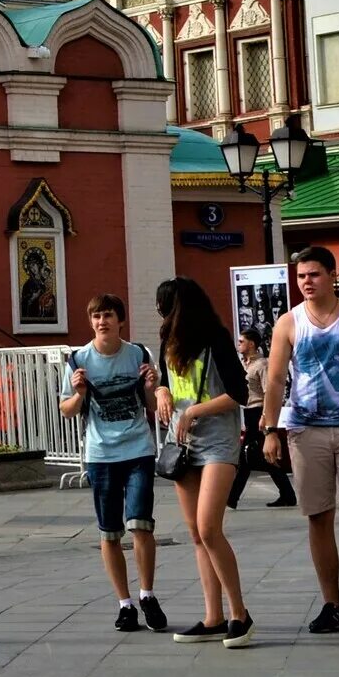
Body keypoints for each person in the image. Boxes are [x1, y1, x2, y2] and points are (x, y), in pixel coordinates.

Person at [261, 245, 339, 637]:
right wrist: (270, 430)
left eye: (314, 274)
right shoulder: (288, 323)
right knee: (319, 517)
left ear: (333, 275)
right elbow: (275, 379)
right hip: (305, 430)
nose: (306, 283)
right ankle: (332, 605)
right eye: (301, 276)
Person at [153, 277, 254, 648]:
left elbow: (239, 393)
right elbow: (165, 381)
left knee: (210, 528)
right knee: (196, 533)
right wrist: (161, 391)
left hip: (217, 442)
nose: (159, 312)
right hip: (181, 445)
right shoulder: (168, 340)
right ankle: (213, 617)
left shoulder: (215, 337)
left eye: (163, 305)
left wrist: (195, 409)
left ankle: (239, 613)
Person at [59, 292, 165, 634]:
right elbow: (67, 410)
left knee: (141, 525)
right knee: (110, 532)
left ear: (121, 320)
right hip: (101, 455)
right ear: (90, 322)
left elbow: (150, 404)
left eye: (107, 316)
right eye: (96, 317)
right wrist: (79, 393)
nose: (101, 322)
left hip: (138, 450)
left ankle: (147, 594)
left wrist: (151, 386)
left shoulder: (138, 354)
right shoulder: (78, 360)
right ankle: (125, 604)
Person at [228, 333, 295, 509]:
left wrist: (266, 416)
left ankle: (231, 497)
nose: (239, 344)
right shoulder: (243, 364)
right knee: (258, 456)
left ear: (251, 344)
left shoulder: (262, 364)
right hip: (249, 413)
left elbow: (269, 392)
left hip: (259, 412)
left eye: (242, 341)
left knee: (246, 455)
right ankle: (288, 494)